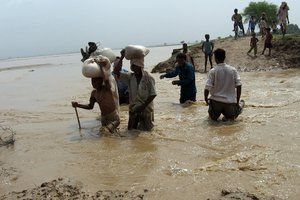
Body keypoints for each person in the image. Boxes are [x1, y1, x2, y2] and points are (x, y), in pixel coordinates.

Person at [72, 56, 120, 134]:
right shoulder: (94, 93)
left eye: (95, 81)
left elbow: (106, 79)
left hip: (114, 118)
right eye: (92, 81)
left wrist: (101, 67)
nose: (93, 83)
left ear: (101, 81)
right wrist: (77, 105)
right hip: (103, 118)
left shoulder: (107, 89)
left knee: (106, 133)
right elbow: (90, 106)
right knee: (106, 137)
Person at [113, 49, 157, 131]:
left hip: (146, 110)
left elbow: (153, 94)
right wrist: (122, 57)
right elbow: (116, 72)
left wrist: (142, 107)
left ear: (140, 66)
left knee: (147, 132)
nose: (133, 68)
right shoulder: (130, 77)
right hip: (133, 109)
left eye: (134, 66)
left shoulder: (149, 78)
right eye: (132, 66)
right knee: (131, 131)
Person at [204, 48, 244, 121]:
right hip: (229, 103)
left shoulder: (213, 71)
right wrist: (237, 102)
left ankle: (215, 116)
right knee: (231, 118)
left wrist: (206, 100)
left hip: (216, 103)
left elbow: (207, 87)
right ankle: (239, 106)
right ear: (225, 57)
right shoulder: (233, 70)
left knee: (213, 119)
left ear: (215, 58)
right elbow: (239, 85)